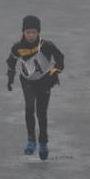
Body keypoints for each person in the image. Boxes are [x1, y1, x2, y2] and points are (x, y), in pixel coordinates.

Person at [6, 15, 65, 161]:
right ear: (23, 32)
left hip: (44, 82)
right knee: (29, 108)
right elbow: (11, 62)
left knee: (41, 113)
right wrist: (10, 78)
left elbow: (60, 59)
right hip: (27, 81)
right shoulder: (17, 47)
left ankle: (43, 142)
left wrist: (53, 73)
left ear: (38, 32)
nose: (31, 35)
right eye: (28, 32)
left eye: (34, 32)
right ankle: (31, 140)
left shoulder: (46, 45)